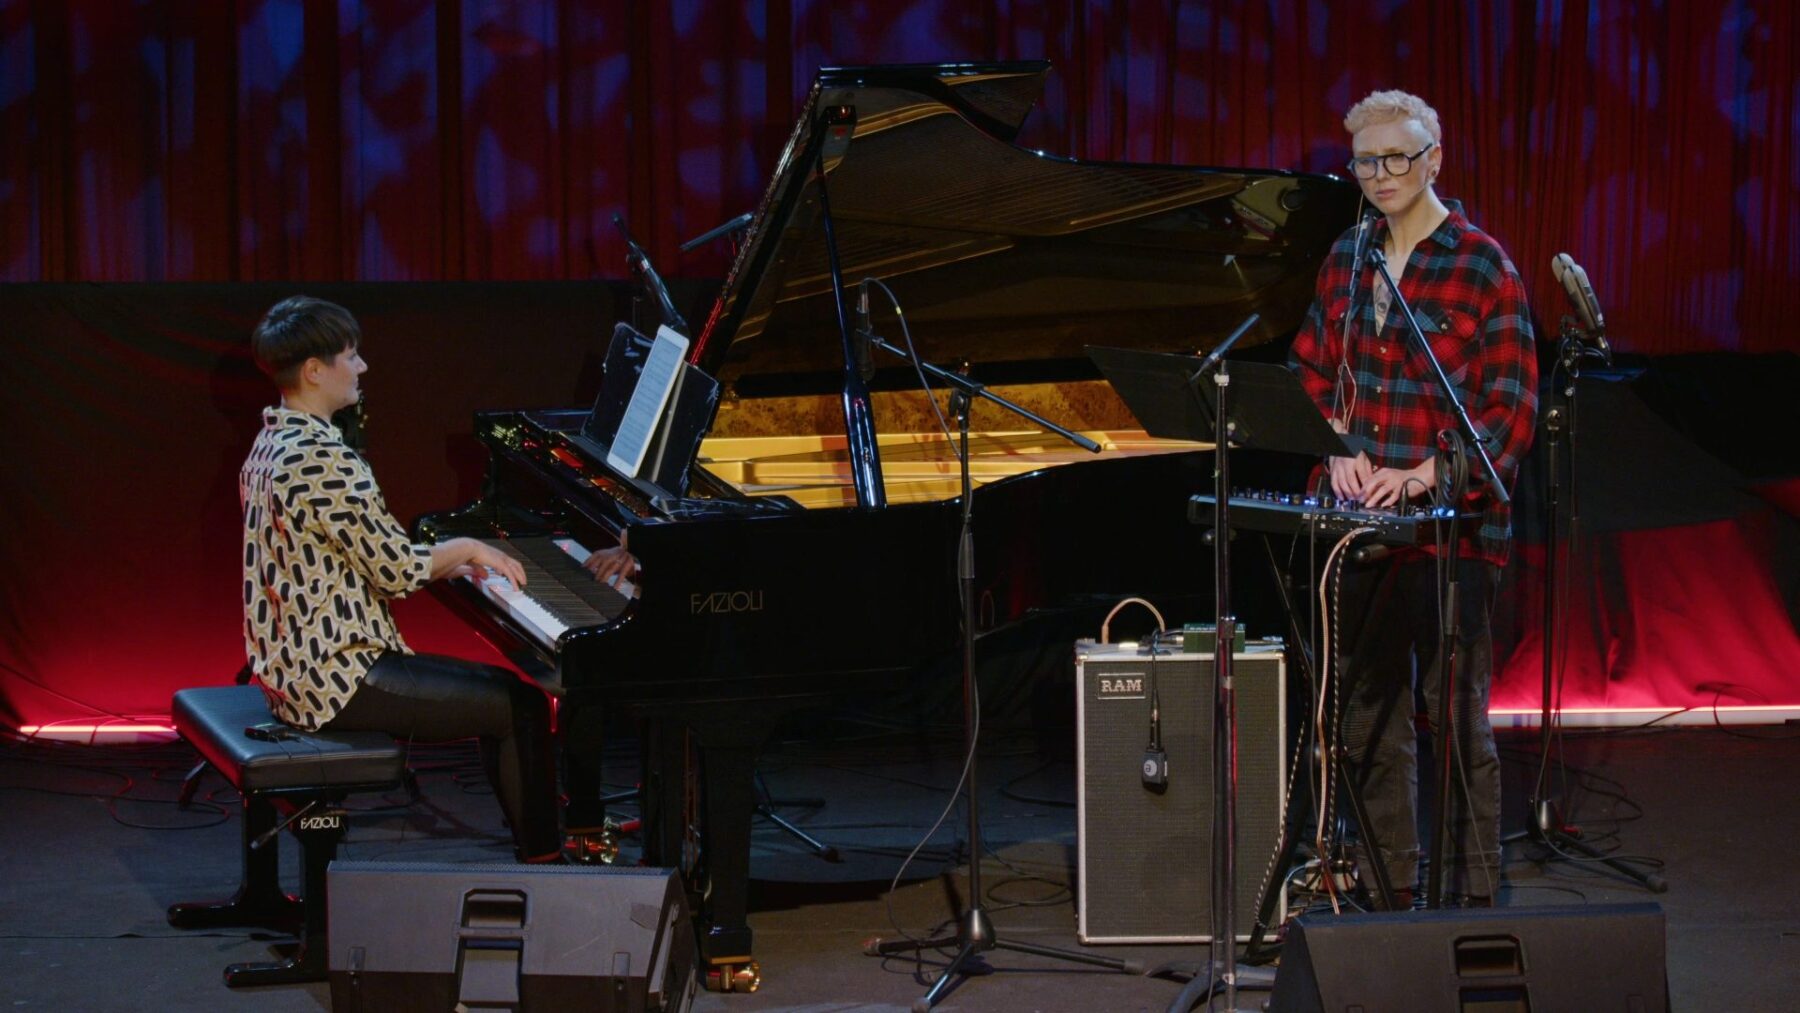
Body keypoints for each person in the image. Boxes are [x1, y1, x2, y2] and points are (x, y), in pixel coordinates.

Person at [239, 296, 631, 862]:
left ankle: (551, 846)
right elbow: (397, 571)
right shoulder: (323, 457)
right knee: (519, 705)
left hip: (291, 667)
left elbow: (367, 553)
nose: (363, 367)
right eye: (352, 356)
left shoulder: (273, 440)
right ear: (315, 370)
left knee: (506, 696)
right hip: (335, 678)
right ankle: (547, 863)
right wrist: (468, 547)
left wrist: (455, 558)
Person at [1288, 90, 1538, 907]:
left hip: (1453, 534)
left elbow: (1509, 408)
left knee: (1454, 718)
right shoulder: (1346, 258)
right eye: (1366, 160)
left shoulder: (1481, 264)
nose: (1381, 174)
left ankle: (1468, 901)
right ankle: (1392, 892)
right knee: (1367, 719)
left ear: (1433, 160)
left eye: (1398, 157)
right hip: (1361, 525)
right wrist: (1342, 447)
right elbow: (1313, 376)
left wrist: (1429, 474)